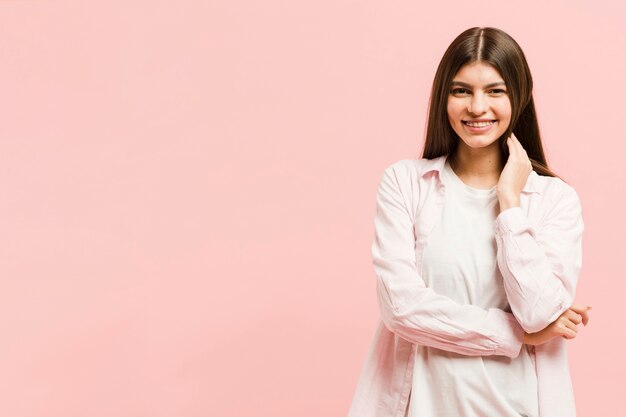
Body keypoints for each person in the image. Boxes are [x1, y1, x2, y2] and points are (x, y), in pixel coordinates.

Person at [346, 27, 591, 417]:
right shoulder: (406, 183)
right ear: (444, 97)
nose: (477, 107)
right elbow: (401, 309)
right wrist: (515, 334)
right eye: (461, 91)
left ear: (519, 96)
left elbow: (540, 312)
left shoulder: (554, 200)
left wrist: (510, 206)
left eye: (495, 91)